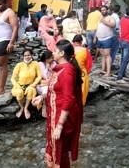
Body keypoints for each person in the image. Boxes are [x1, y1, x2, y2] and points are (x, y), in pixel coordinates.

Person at [44, 39, 83, 168]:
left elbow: (69, 99)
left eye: (55, 50)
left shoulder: (67, 71)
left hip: (62, 117)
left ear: (61, 53)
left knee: (60, 149)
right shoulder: (60, 69)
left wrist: (60, 125)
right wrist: (43, 97)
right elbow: (58, 89)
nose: (53, 52)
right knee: (57, 146)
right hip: (56, 113)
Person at [11, 48, 42, 119]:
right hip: (19, 85)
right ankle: (21, 107)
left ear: (31, 55)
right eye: (25, 55)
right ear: (23, 56)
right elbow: (13, 78)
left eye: (29, 55)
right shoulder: (19, 65)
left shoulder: (35, 64)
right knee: (19, 93)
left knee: (31, 90)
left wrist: (33, 84)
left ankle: (26, 108)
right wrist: (17, 86)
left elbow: (39, 76)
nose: (27, 57)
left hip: (30, 85)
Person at [72, 35, 93, 105]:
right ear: (81, 42)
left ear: (73, 41)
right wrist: (87, 71)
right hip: (82, 73)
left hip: (71, 72)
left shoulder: (70, 49)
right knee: (82, 89)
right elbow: (89, 64)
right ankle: (81, 104)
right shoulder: (85, 50)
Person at [95, 6, 116, 77]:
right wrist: (95, 37)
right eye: (102, 10)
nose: (103, 11)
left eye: (104, 10)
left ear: (107, 10)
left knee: (107, 55)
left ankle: (108, 72)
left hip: (107, 38)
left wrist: (104, 21)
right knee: (103, 55)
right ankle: (103, 70)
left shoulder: (110, 18)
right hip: (99, 39)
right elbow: (97, 28)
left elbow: (113, 25)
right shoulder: (100, 18)